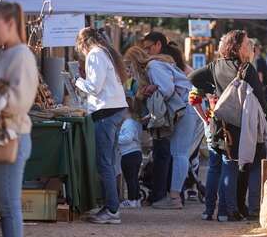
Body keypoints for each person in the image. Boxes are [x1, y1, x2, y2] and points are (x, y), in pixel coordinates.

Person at [190, 30, 267, 222]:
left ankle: (215, 210)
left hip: (218, 122)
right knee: (232, 166)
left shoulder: (215, 65)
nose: (250, 46)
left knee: (221, 166)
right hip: (240, 124)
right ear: (238, 47)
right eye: (247, 43)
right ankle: (229, 211)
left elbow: (193, 77)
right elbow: (260, 98)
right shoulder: (246, 68)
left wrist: (213, 91)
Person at [0, 2, 39, 237]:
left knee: (8, 207)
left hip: (11, 136)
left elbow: (19, 100)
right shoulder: (6, 53)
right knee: (5, 207)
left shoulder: (21, 55)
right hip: (1, 135)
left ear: (10, 24)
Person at [123, 46, 199, 210]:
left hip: (186, 108)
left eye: (129, 66)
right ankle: (174, 196)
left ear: (135, 63)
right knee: (178, 152)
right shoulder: (155, 65)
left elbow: (167, 89)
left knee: (179, 153)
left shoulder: (152, 67)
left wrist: (151, 89)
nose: (130, 71)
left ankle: (174, 197)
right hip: (185, 108)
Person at [75, 27, 129, 224]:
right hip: (115, 110)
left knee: (104, 163)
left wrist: (77, 81)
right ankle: (111, 205)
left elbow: (94, 87)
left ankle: (112, 209)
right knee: (110, 162)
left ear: (83, 43)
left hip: (106, 113)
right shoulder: (105, 52)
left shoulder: (95, 54)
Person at [118, 115, 143, 209]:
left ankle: (132, 200)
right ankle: (136, 199)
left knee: (130, 178)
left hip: (129, 153)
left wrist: (115, 138)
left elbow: (128, 138)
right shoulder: (132, 123)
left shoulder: (128, 123)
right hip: (135, 152)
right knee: (134, 178)